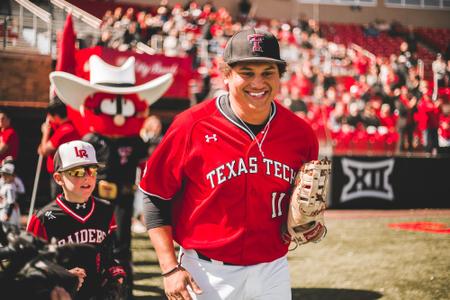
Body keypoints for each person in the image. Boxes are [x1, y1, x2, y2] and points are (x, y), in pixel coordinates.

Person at [139, 28, 320, 299]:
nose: (258, 83)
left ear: (279, 76)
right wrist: (169, 268)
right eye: (247, 73)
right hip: (207, 272)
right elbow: (154, 196)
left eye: (267, 72)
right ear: (226, 75)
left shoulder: (300, 134)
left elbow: (296, 201)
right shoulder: (191, 126)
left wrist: (306, 224)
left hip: (273, 270)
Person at [27, 140, 126, 299]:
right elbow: (29, 266)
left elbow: (108, 254)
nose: (87, 177)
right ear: (59, 178)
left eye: (92, 170)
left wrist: (115, 276)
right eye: (78, 172)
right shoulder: (43, 218)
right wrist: (62, 276)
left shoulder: (105, 210)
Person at [38, 97, 81, 200]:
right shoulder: (66, 128)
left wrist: (45, 133)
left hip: (61, 174)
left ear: (56, 116)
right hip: (61, 173)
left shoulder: (64, 131)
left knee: (58, 201)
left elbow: (43, 151)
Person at [0, 163, 21, 227]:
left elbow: (11, 203)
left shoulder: (10, 187)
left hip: (8, 212)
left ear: (13, 176)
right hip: (5, 210)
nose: (4, 176)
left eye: (7, 175)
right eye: (3, 174)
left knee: (10, 232)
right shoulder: (6, 185)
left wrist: (7, 214)